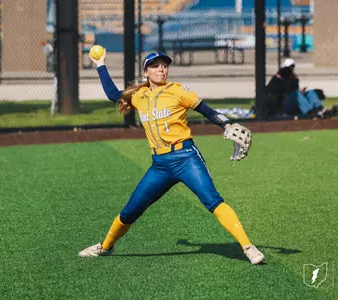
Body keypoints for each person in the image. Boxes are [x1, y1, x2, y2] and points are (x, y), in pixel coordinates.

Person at [78, 50, 264, 265]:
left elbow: (208, 111)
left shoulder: (178, 91)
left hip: (186, 158)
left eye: (164, 65)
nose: (161, 69)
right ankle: (105, 246)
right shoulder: (140, 96)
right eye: (156, 66)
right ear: (146, 71)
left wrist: (227, 124)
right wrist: (100, 64)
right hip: (160, 166)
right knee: (131, 210)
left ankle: (248, 247)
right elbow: (113, 94)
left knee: (212, 200)